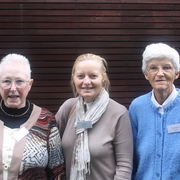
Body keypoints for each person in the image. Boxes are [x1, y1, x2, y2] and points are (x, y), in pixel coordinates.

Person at [55, 53, 133, 180]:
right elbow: (51, 147)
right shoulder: (68, 108)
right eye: (80, 76)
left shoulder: (118, 113)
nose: (86, 82)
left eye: (93, 76)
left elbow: (124, 166)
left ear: (103, 78)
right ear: (73, 78)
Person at [0, 53, 65, 179]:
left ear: (30, 84)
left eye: (19, 81)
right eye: (6, 81)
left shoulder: (46, 121)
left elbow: (58, 172)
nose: (13, 88)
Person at [129, 43, 180, 180]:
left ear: (176, 73)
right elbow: (129, 154)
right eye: (153, 68)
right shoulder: (136, 107)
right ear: (146, 74)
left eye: (166, 67)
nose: (160, 73)